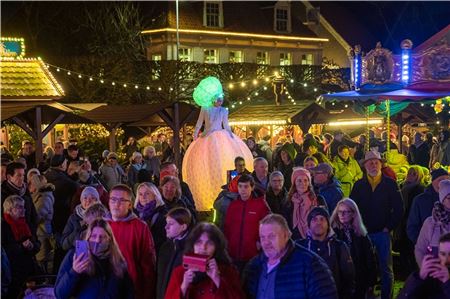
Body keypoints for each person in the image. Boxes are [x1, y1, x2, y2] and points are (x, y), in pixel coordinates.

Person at [183, 77, 254, 211]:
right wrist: (195, 136)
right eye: (218, 99)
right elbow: (199, 123)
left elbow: (225, 124)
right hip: (206, 136)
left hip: (221, 134)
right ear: (213, 99)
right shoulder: (205, 109)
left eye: (221, 99)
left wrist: (231, 135)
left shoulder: (223, 111)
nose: (220, 101)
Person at [243, 214, 338, 299]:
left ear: (286, 236)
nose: (266, 242)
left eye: (272, 236)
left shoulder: (311, 264)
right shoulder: (253, 266)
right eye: (262, 237)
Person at [350, 150, 404, 299]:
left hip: (383, 233)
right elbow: (352, 208)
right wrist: (356, 227)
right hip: (363, 232)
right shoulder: (359, 185)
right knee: (365, 266)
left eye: (376, 162)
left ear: (381, 164)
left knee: (385, 268)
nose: (373, 165)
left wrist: (389, 227)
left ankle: (387, 296)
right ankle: (369, 295)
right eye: (370, 162)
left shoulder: (390, 184)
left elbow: (399, 208)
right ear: (365, 166)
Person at [54, 219, 134, 299]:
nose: (97, 240)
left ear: (109, 239)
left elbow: (129, 292)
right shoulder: (74, 256)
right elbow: (59, 294)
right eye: (93, 236)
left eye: (102, 237)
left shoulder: (117, 261)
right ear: (88, 238)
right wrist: (74, 272)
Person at [165, 222, 245, 299]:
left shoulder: (228, 272)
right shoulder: (179, 272)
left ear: (216, 247)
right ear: (193, 245)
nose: (203, 247)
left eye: (209, 243)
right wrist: (184, 286)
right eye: (199, 242)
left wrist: (217, 280)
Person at [106, 184, 156, 299]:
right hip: (104, 288)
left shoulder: (140, 227)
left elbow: (148, 264)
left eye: (122, 200)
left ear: (129, 204)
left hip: (131, 289)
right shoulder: (101, 225)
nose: (116, 204)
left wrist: (146, 294)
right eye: (113, 199)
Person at [297, 206, 355, 298]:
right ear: (309, 224)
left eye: (322, 219)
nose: (318, 222)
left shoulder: (339, 247)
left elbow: (348, 279)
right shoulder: (299, 247)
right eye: (314, 219)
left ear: (328, 224)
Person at [330, 198, 377, 299]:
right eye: (339, 211)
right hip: (339, 279)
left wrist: (371, 281)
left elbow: (370, 259)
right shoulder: (332, 234)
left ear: (353, 214)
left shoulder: (361, 234)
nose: (342, 215)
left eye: (346, 212)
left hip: (358, 278)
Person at [224, 174, 270, 271]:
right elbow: (227, 227)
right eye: (240, 186)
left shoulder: (260, 205)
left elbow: (268, 225)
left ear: (252, 187)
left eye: (246, 186)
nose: (243, 190)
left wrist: (260, 240)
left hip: (252, 252)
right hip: (233, 252)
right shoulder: (233, 205)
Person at [2, 195, 40, 298]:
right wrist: (21, 246)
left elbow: (37, 244)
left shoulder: (25, 223)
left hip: (29, 272)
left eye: (23, 206)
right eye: (19, 207)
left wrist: (32, 246)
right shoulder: (3, 227)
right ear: (9, 210)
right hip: (12, 274)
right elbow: (4, 251)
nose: (24, 209)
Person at [398, 232, 450, 299]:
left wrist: (447, 283)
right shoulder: (431, 275)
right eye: (442, 254)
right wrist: (418, 278)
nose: (446, 259)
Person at [157, 207, 193, 299]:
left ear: (183, 227)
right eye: (166, 223)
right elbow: (160, 278)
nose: (166, 227)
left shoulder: (191, 251)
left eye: (171, 224)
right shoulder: (165, 247)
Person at [396, 166, 426, 276]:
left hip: (411, 223)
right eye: (410, 172)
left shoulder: (420, 189)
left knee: (411, 253)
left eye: (414, 173)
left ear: (419, 176)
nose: (410, 175)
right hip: (403, 224)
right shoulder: (403, 187)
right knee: (404, 251)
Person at [407, 168, 449, 244]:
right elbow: (412, 227)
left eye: (447, 180)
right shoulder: (420, 200)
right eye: (440, 180)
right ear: (432, 182)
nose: (444, 183)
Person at [415, 179, 450, 267]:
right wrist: (424, 269)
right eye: (449, 198)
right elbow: (420, 249)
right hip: (434, 274)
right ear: (443, 199)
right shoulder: (430, 223)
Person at [286, 167, 326, 240]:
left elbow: (325, 219)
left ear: (309, 182)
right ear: (294, 182)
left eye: (305, 180)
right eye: (299, 181)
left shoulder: (318, 199)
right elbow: (285, 224)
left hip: (316, 239)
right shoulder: (288, 202)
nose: (303, 183)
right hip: (296, 241)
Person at [1, 162, 38, 235]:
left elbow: (33, 215)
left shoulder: (25, 191)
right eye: (19, 175)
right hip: (14, 241)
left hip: (30, 236)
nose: (22, 179)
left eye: (23, 175)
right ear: (9, 177)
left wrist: (32, 234)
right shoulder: (3, 194)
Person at [28, 174, 55, 274]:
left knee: (41, 259)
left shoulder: (44, 198)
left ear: (36, 185)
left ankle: (44, 281)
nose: (29, 185)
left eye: (31, 183)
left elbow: (37, 217)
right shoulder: (40, 196)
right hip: (41, 232)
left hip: (42, 233)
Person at [61, 186, 101, 251]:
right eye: (85, 198)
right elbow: (64, 245)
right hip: (76, 251)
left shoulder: (103, 217)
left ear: (97, 200)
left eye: (92, 198)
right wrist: (78, 230)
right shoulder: (73, 218)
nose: (88, 200)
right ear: (81, 200)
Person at [134, 182, 168, 253]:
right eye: (140, 194)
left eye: (147, 193)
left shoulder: (163, 214)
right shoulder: (134, 214)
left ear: (155, 195)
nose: (143, 197)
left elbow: (164, 239)